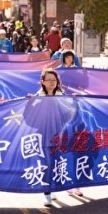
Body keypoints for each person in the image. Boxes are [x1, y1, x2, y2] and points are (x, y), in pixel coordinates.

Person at [27, 68, 69, 206]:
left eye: (54, 80)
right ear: (42, 82)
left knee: (57, 162)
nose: (51, 82)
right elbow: (29, 118)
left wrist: (74, 101)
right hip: (44, 135)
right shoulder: (37, 98)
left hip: (60, 134)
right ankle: (47, 193)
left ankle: (53, 188)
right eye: (48, 80)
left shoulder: (63, 96)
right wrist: (30, 103)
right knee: (46, 163)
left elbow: (71, 114)